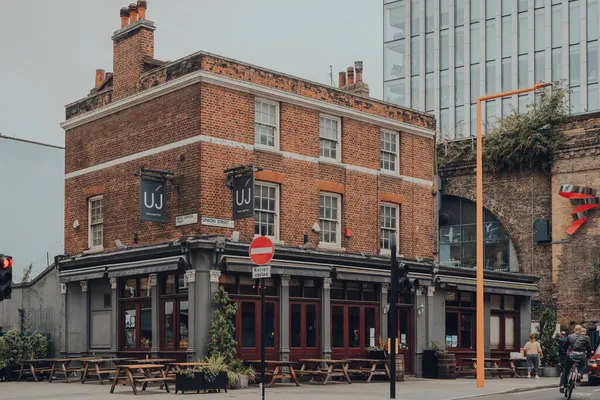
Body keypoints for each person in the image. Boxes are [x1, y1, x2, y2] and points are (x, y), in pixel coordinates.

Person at [559, 325, 592, 393]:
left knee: (566, 369)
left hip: (571, 356)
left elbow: (565, 346)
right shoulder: (586, 338)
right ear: (581, 330)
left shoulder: (570, 336)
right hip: (581, 356)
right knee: (583, 366)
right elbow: (589, 348)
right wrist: (588, 355)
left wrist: (564, 352)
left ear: (574, 330)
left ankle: (562, 385)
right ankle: (580, 374)